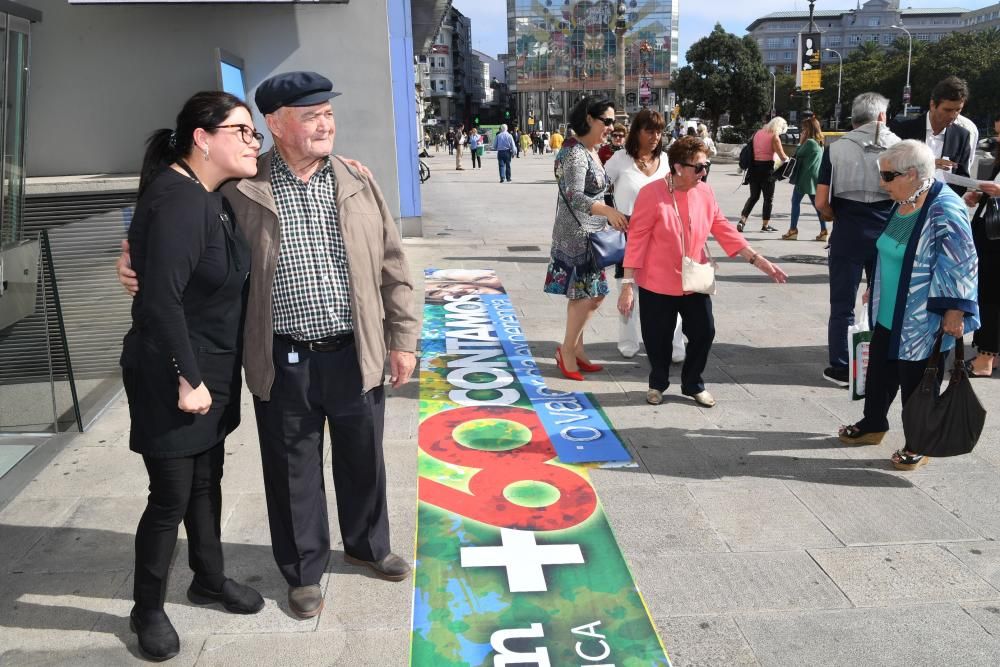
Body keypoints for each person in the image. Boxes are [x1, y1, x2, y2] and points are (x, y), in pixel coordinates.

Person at [120, 72, 419, 620]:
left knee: (364, 460)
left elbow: (394, 267)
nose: (326, 124)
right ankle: (303, 573)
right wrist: (131, 257)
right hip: (284, 358)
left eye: (328, 113)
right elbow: (171, 224)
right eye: (311, 116)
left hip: (356, 351)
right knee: (290, 470)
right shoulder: (240, 189)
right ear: (276, 125)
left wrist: (403, 339)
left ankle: (368, 546)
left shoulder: (356, 180)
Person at [120, 91, 265, 660]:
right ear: (203, 139)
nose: (254, 142)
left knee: (207, 482)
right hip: (174, 373)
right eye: (243, 131)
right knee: (170, 497)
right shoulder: (185, 200)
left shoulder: (205, 192)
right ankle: (146, 609)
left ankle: (208, 578)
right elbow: (160, 302)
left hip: (207, 367)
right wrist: (188, 377)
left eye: (255, 133)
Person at [837, 140, 978, 471]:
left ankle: (920, 442)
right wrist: (876, 287)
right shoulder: (904, 202)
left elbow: (962, 262)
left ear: (912, 174)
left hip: (923, 317)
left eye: (887, 176)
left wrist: (955, 311)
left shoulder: (944, 207)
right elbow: (891, 250)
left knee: (918, 383)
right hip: (890, 310)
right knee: (881, 374)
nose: (882, 183)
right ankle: (873, 424)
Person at [619, 135, 787, 407]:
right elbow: (636, 240)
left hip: (693, 277)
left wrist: (757, 259)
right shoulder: (651, 194)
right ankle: (658, 383)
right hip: (656, 282)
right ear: (678, 168)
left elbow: (722, 228)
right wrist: (627, 285)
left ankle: (692, 382)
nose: (704, 172)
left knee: (704, 331)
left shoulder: (705, 192)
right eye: (698, 167)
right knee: (656, 338)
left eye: (706, 165)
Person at [816, 92, 901, 387]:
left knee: (842, 305)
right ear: (881, 116)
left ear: (855, 117)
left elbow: (821, 201)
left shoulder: (835, 148)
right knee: (884, 302)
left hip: (848, 233)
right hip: (888, 235)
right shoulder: (899, 147)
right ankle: (880, 362)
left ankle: (840, 367)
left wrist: (835, 216)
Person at [543, 96, 628, 381]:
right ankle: (567, 351)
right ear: (590, 119)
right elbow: (574, 195)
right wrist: (606, 210)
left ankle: (575, 349)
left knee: (586, 294)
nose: (610, 127)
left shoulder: (590, 151)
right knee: (592, 294)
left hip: (591, 232)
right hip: (576, 235)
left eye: (613, 122)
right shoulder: (575, 153)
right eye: (606, 121)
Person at [603, 110, 677, 362]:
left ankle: (675, 344)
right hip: (629, 234)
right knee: (627, 287)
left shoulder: (667, 160)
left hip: (664, 236)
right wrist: (610, 212)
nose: (656, 136)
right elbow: (596, 187)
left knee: (669, 291)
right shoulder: (620, 159)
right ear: (637, 131)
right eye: (650, 130)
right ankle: (628, 341)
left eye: (659, 131)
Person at [963, 112, 1000, 377]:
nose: (998, 139)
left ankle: (986, 357)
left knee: (990, 294)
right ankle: (990, 353)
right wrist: (979, 196)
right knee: (987, 292)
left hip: (995, 240)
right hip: (989, 233)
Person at [892, 76, 973, 195]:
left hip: (941, 207)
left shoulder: (961, 136)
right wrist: (927, 165)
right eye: (947, 110)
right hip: (904, 204)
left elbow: (962, 180)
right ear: (932, 105)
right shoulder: (903, 129)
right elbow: (888, 168)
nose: (953, 115)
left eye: (958, 110)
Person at [738, 116, 789, 233]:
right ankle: (765, 225)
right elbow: (782, 157)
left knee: (753, 197)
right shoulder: (774, 137)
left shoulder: (758, 133)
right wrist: (789, 160)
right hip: (767, 170)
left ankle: (742, 220)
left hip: (754, 168)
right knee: (768, 199)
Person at [782, 116, 827, 241]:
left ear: (809, 128)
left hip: (804, 177)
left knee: (795, 202)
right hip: (814, 178)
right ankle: (824, 231)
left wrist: (801, 141)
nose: (802, 131)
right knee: (817, 205)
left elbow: (798, 153)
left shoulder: (810, 142)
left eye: (804, 128)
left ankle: (793, 230)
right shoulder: (820, 142)